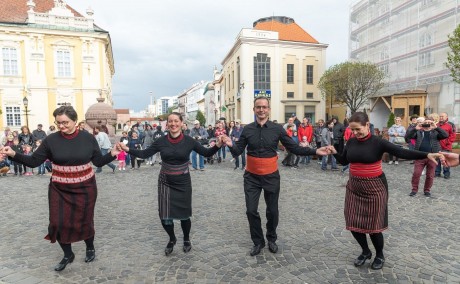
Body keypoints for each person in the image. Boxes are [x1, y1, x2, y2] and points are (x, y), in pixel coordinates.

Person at [0, 105, 119, 271]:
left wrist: (112, 154)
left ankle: (90, 247)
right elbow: (34, 161)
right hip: (59, 188)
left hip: (85, 187)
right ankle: (68, 254)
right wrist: (13, 154)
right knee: (57, 222)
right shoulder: (51, 140)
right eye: (58, 123)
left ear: (75, 121)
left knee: (84, 220)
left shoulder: (88, 138)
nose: (61, 126)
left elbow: (98, 162)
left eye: (65, 123)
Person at [330, 112, 443, 270]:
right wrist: (334, 152)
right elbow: (344, 160)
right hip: (354, 187)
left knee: (374, 227)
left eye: (357, 129)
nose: (355, 133)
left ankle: (379, 255)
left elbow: (402, 152)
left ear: (367, 125)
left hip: (375, 188)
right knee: (353, 223)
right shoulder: (351, 141)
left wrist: (427, 154)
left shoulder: (378, 142)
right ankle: (365, 251)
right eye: (352, 130)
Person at [221, 96, 330, 256]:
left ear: (268, 109)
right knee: (251, 211)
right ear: (254, 109)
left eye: (264, 107)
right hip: (251, 177)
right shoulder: (248, 129)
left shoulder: (277, 129)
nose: (261, 110)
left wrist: (315, 151)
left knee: (272, 211)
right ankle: (258, 242)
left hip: (271, 176)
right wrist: (231, 145)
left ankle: (271, 238)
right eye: (258, 107)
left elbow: (294, 148)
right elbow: (238, 152)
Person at [117, 112, 222, 255]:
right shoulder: (161, 141)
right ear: (167, 124)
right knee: (165, 216)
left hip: (183, 182)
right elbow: (144, 154)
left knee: (184, 215)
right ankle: (172, 238)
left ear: (181, 123)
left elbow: (207, 153)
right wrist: (127, 149)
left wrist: (218, 145)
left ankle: (186, 239)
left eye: (176, 121)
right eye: (170, 121)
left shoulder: (189, 141)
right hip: (165, 181)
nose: (173, 124)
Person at [406, 116, 448, 197]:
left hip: (433, 157)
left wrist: (436, 127)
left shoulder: (435, 132)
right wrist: (415, 128)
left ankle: (427, 190)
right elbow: (408, 136)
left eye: (430, 123)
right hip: (420, 156)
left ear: (433, 123)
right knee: (416, 174)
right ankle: (414, 190)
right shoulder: (419, 132)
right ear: (423, 123)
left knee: (430, 175)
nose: (428, 124)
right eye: (426, 122)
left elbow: (445, 135)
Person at [436, 112, 456, 179]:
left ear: (446, 117)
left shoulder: (450, 126)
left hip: (446, 147)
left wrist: (448, 142)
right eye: (440, 116)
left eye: (443, 116)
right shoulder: (436, 125)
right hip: (437, 146)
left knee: (446, 160)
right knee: (437, 160)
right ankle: (437, 172)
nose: (441, 118)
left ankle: (446, 173)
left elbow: (453, 135)